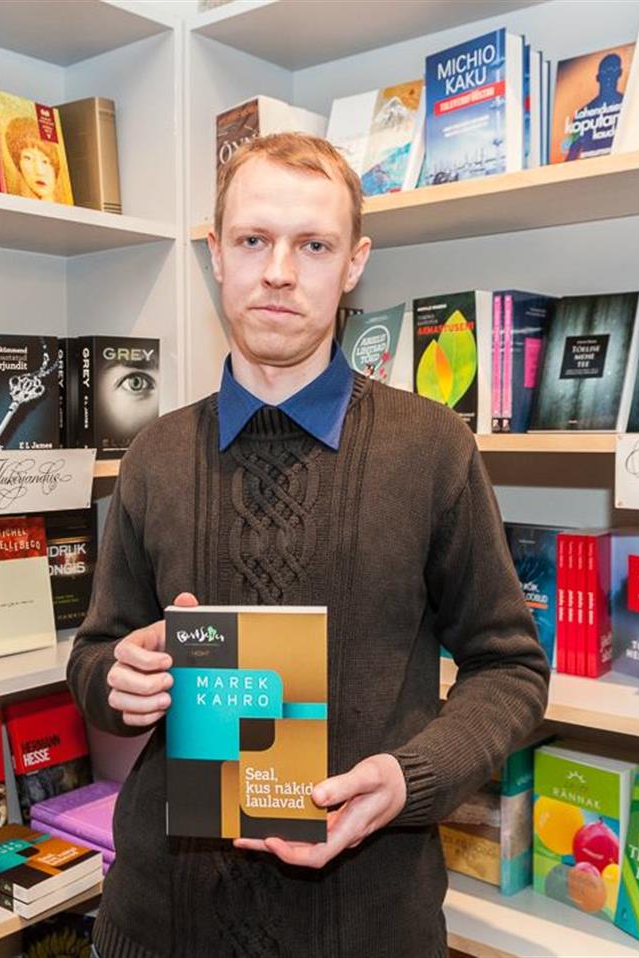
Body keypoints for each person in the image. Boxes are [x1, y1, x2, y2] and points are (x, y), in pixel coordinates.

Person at [67, 133, 550, 958]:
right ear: (216, 254)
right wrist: (121, 678)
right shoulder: (153, 456)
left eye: (314, 245)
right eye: (254, 240)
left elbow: (510, 668)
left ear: (354, 263)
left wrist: (410, 779)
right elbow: (94, 654)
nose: (280, 272)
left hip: (369, 926)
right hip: (162, 924)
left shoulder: (433, 449)